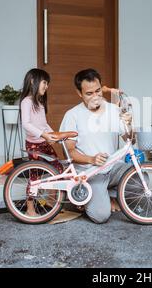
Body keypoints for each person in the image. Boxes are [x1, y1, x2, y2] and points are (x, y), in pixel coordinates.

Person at [60, 69, 133, 224]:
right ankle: (83, 197)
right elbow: (69, 151)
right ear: (79, 93)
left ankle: (111, 195)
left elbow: (130, 141)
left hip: (114, 168)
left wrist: (129, 125)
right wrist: (91, 159)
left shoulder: (113, 110)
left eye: (98, 91)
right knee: (100, 216)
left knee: (142, 179)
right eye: (89, 93)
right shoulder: (72, 115)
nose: (95, 96)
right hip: (91, 173)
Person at [20, 68, 63, 217]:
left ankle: (53, 201)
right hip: (34, 145)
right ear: (33, 81)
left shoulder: (39, 103)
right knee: (35, 176)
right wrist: (44, 134)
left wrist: (55, 135)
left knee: (58, 169)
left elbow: (43, 124)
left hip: (44, 142)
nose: (47, 86)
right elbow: (26, 123)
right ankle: (30, 208)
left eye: (47, 83)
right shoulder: (26, 102)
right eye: (45, 82)